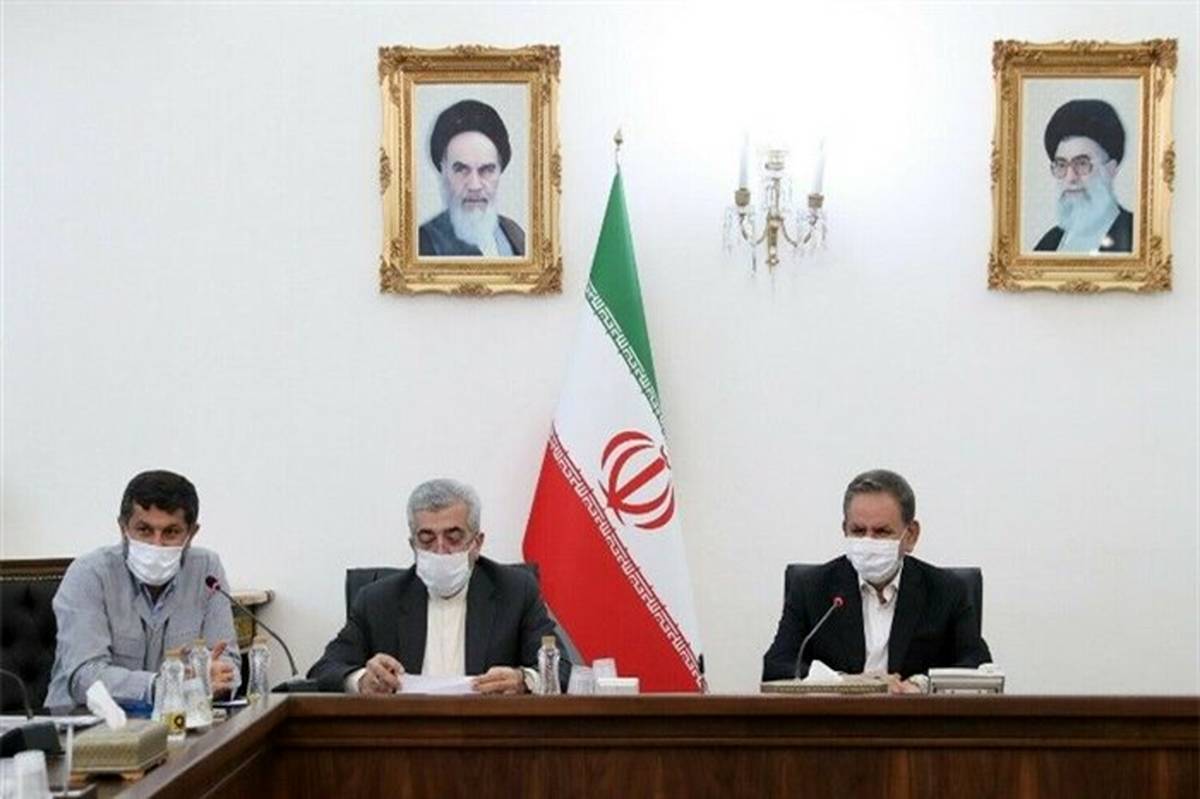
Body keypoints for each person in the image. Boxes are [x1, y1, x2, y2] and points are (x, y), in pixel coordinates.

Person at [308, 478, 560, 694]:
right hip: (406, 730)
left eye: (454, 537)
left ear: (477, 543)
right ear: (413, 544)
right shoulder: (377, 600)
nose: (440, 550)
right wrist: (363, 679)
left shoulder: (516, 591)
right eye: (427, 538)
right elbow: (325, 669)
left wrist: (524, 680)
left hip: (487, 730)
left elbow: (562, 668)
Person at [762, 469, 991, 692]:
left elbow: (977, 665)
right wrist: (847, 683)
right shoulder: (811, 588)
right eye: (858, 531)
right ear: (845, 529)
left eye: (881, 532)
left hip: (913, 715)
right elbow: (777, 666)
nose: (868, 541)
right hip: (836, 716)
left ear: (911, 535)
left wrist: (920, 685)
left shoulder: (946, 590)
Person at [46, 470, 240, 708]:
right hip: (82, 721)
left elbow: (227, 663)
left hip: (175, 720)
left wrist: (217, 678)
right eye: (144, 530)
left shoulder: (207, 570)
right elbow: (85, 678)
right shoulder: (88, 574)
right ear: (123, 528)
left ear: (191, 534)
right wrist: (164, 685)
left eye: (171, 532)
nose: (156, 544)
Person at [418, 99, 525, 258]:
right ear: (444, 171)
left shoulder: (514, 233)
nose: (474, 186)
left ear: (499, 170)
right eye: (461, 170)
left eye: (486, 170)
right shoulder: (423, 243)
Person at [1034, 98, 1133, 253]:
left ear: (1111, 169)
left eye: (1082, 163)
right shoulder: (1049, 243)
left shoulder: (1136, 236)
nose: (1070, 178)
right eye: (1061, 165)